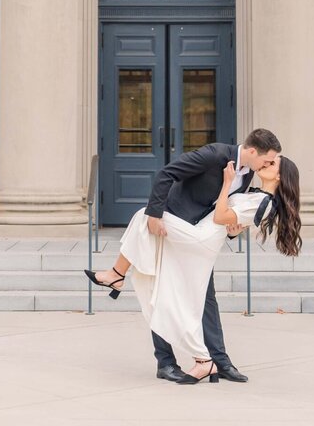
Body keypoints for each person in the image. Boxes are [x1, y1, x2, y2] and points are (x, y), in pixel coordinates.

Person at [85, 128, 301, 384]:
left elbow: (228, 214)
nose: (267, 164)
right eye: (267, 159)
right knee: (160, 284)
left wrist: (233, 230)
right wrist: (156, 215)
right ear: (253, 152)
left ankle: (216, 360)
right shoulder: (214, 154)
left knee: (203, 299)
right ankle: (168, 361)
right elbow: (167, 174)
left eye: (271, 163)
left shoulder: (250, 174)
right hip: (175, 226)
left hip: (197, 238)